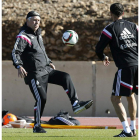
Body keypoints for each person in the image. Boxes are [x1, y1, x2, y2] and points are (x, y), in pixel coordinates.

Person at [11, 11, 93, 133]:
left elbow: (41, 52)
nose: (36, 22)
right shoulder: (23, 36)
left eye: (38, 20)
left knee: (65, 77)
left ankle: (75, 103)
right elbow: (15, 52)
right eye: (33, 20)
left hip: (46, 70)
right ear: (27, 21)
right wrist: (18, 66)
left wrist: (49, 62)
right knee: (41, 99)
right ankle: (37, 126)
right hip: (34, 74)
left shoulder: (38, 34)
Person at [95, 3, 138, 137]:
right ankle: (133, 128)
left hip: (125, 67)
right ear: (123, 13)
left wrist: (103, 57)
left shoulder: (109, 29)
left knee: (115, 98)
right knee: (131, 96)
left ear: (111, 14)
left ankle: (126, 130)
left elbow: (98, 49)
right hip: (138, 65)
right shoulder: (134, 26)